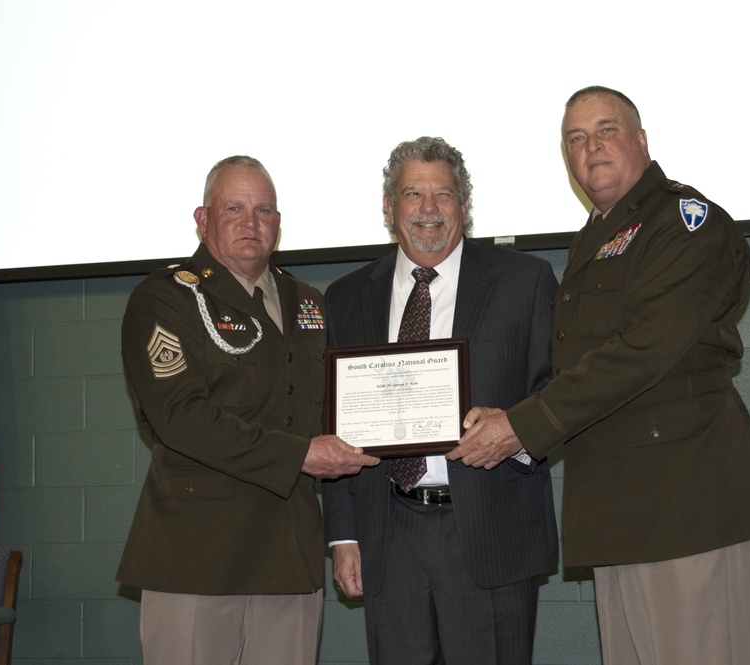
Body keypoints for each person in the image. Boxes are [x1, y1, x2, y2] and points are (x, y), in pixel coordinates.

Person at [450, 86, 750, 664]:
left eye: (606, 130)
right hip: (622, 509)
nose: (591, 147)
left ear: (642, 140)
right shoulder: (595, 239)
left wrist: (525, 425)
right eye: (575, 138)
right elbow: (583, 364)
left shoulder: (683, 222)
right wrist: (513, 417)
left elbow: (643, 351)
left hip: (685, 505)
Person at [116, 155, 378, 665]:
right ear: (203, 218)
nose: (250, 221)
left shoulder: (309, 303)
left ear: (278, 224)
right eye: (233, 207)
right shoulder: (165, 298)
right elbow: (181, 418)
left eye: (263, 209)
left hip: (290, 551)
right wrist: (301, 454)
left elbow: (339, 409)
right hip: (198, 556)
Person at [322, 136, 559, 665]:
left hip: (492, 530)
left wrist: (515, 432)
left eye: (444, 194)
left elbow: (556, 390)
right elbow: (333, 424)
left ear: (465, 206)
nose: (428, 210)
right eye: (412, 194)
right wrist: (342, 536)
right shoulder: (347, 296)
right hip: (389, 535)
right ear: (389, 208)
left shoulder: (524, 280)